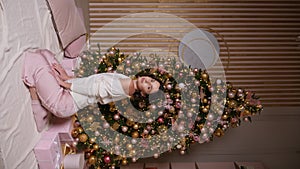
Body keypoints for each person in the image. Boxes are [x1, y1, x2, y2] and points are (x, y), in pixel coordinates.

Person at [22, 49, 164, 129]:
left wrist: (65, 84)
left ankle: (38, 103)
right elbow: (92, 81)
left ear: (144, 94)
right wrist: (67, 77)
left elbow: (93, 89)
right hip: (69, 91)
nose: (147, 81)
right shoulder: (129, 81)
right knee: (46, 54)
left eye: (149, 87)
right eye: (151, 80)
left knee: (36, 60)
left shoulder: (125, 87)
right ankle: (40, 101)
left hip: (63, 102)